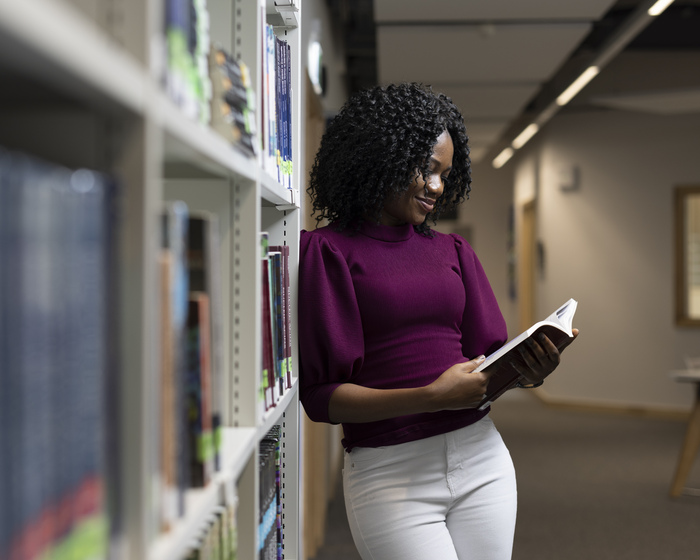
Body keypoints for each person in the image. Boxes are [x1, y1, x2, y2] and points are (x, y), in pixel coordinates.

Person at [298, 82, 577, 560]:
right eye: (427, 169)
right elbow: (322, 399)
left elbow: (485, 364)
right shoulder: (327, 252)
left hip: (482, 458)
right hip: (391, 473)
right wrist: (430, 397)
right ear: (381, 156)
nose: (437, 187)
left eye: (446, 174)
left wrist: (527, 372)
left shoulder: (452, 250)